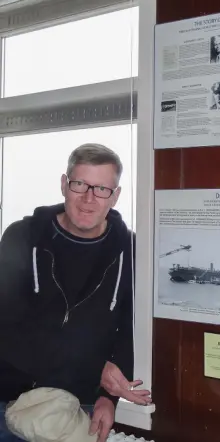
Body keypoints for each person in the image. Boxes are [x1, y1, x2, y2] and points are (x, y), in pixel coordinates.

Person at [0, 144, 151, 442]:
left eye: (102, 189)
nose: (88, 198)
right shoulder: (22, 237)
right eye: (79, 184)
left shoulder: (132, 251)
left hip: (81, 408)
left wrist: (108, 397)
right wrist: (95, 368)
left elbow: (128, 330)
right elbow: (8, 329)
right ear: (63, 185)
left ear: (115, 196)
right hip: (10, 401)